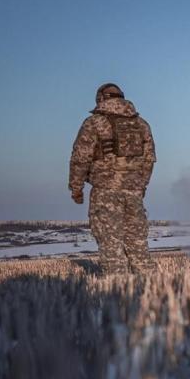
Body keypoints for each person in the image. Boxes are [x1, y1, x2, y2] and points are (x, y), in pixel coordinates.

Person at [69, 83, 157, 274]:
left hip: (105, 192)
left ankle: (118, 292)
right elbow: (149, 159)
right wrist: (141, 185)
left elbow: (80, 158)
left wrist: (76, 188)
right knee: (138, 243)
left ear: (101, 99)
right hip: (134, 193)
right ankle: (152, 291)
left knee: (111, 243)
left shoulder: (93, 123)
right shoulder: (141, 124)